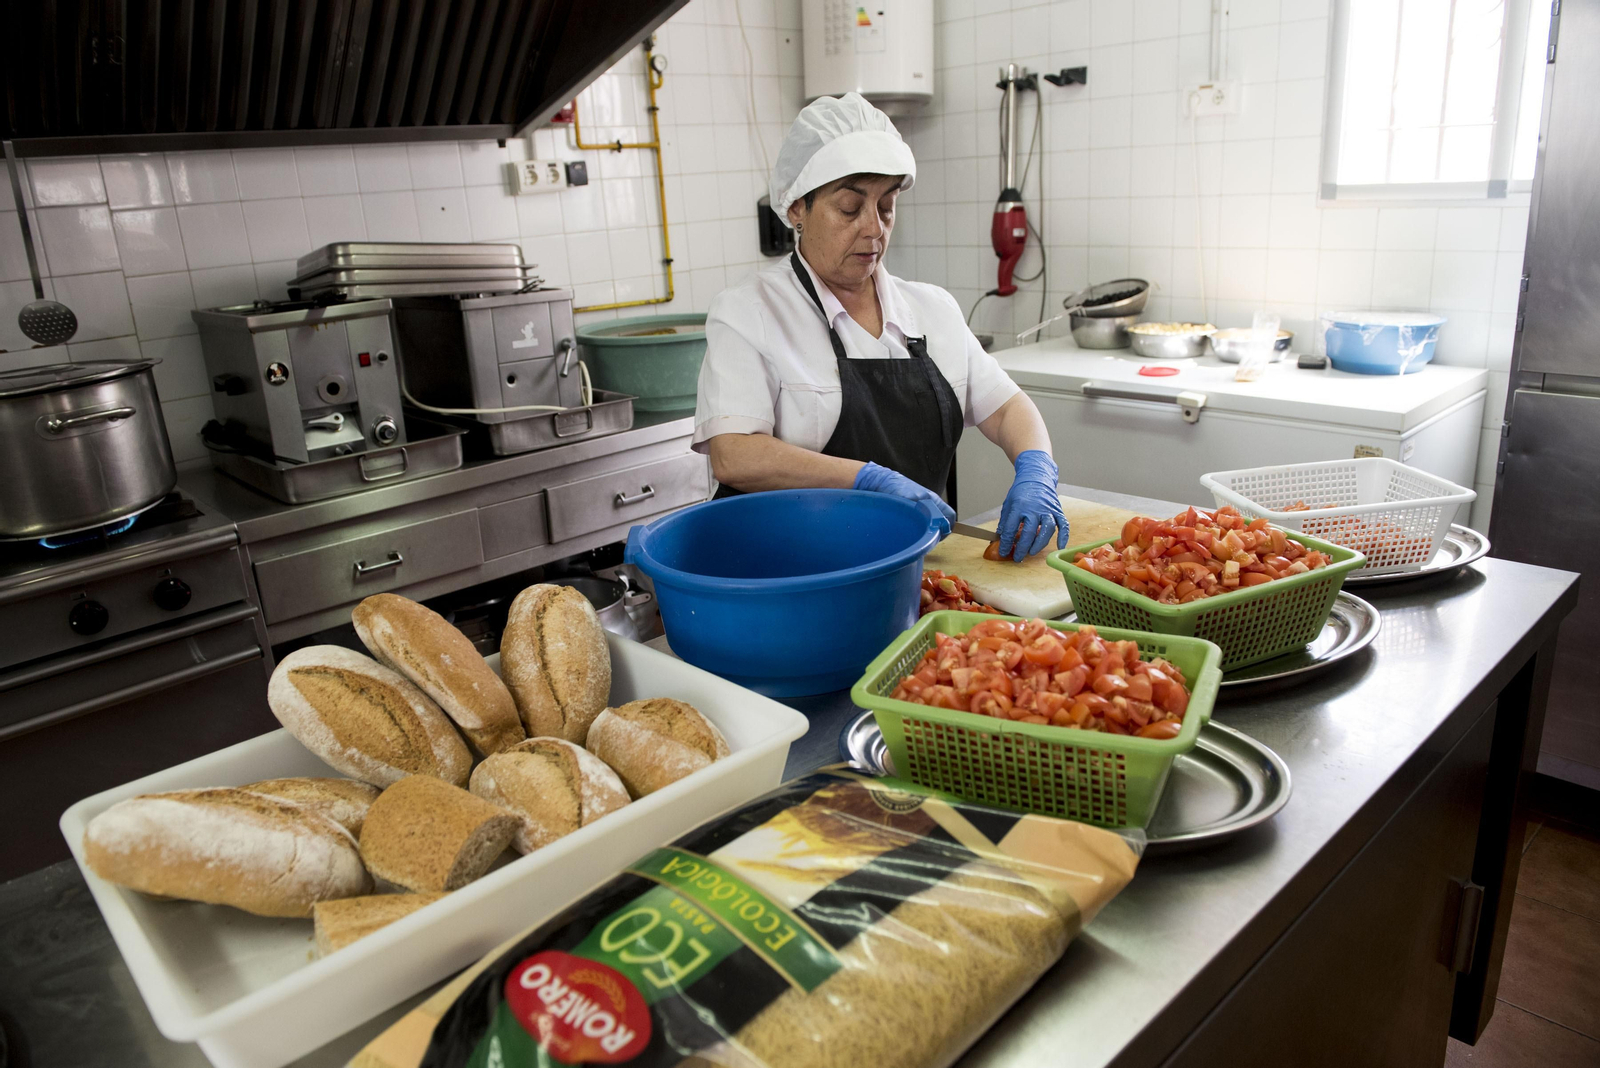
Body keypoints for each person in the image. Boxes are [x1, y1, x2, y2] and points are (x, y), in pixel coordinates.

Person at [691, 92, 1066, 561]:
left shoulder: (931, 309)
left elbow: (1008, 407)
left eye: (886, 207)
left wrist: (1036, 470)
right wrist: (866, 480)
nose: (874, 229)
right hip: (788, 577)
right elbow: (735, 453)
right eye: (850, 208)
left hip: (912, 573)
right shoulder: (749, 310)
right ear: (797, 210)